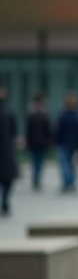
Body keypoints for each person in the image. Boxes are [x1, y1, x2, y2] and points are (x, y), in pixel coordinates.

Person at [56, 91, 78, 193]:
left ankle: (68, 182)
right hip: (75, 144)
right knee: (71, 165)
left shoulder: (62, 116)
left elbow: (58, 131)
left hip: (64, 143)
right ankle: (72, 182)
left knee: (65, 164)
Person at [25, 92, 53, 191]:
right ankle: (37, 178)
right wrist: (50, 141)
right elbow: (48, 130)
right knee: (40, 162)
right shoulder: (44, 116)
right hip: (42, 142)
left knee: (35, 161)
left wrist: (27, 141)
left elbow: (28, 130)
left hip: (34, 142)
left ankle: (35, 178)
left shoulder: (31, 115)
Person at [0, 87, 17, 216]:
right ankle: (5, 201)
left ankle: (5, 201)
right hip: (6, 150)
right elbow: (13, 132)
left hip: (6, 150)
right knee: (7, 179)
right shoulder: (8, 111)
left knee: (7, 179)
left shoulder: (8, 111)